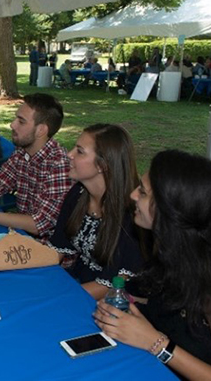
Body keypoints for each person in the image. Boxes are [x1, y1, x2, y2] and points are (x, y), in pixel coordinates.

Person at [94, 150, 211, 381]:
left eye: (142, 191)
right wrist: (124, 305)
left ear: (170, 210)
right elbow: (170, 308)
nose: (132, 195)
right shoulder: (176, 255)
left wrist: (156, 343)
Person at [0, 93, 72, 244]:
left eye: (21, 121)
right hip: (22, 236)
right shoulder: (22, 152)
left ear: (41, 130)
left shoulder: (59, 165)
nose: (12, 125)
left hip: (48, 250)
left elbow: (38, 225)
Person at [48, 124, 143, 300]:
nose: (69, 154)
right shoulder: (78, 194)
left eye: (80, 151)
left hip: (113, 303)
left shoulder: (131, 215)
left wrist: (56, 298)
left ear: (103, 165)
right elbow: (57, 249)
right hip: (77, 284)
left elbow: (111, 285)